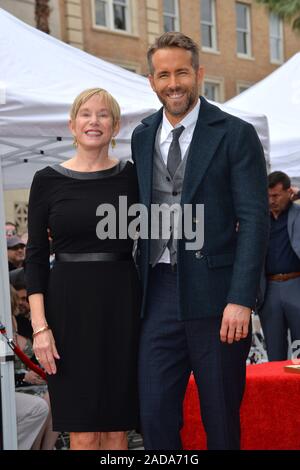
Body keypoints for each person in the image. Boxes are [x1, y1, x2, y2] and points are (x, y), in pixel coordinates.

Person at [131, 32, 269, 450]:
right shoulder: (141, 135)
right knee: (153, 415)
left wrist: (241, 298)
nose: (173, 83)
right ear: (152, 81)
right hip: (155, 293)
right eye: (164, 74)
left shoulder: (234, 133)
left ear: (199, 74)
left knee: (220, 420)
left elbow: (254, 219)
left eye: (182, 72)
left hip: (218, 299)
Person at [25, 88, 140, 450]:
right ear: (72, 125)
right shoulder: (47, 180)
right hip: (67, 314)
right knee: (83, 432)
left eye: (103, 115)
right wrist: (40, 328)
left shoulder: (133, 178)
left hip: (123, 310)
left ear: (116, 126)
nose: (94, 121)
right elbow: (35, 256)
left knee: (118, 430)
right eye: (86, 114)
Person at [258, 171, 300, 361]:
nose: (271, 200)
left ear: (289, 192)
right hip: (269, 289)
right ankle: (277, 389)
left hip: (296, 284)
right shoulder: (259, 220)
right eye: (267, 196)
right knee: (274, 352)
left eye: (275, 195)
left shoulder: (297, 214)